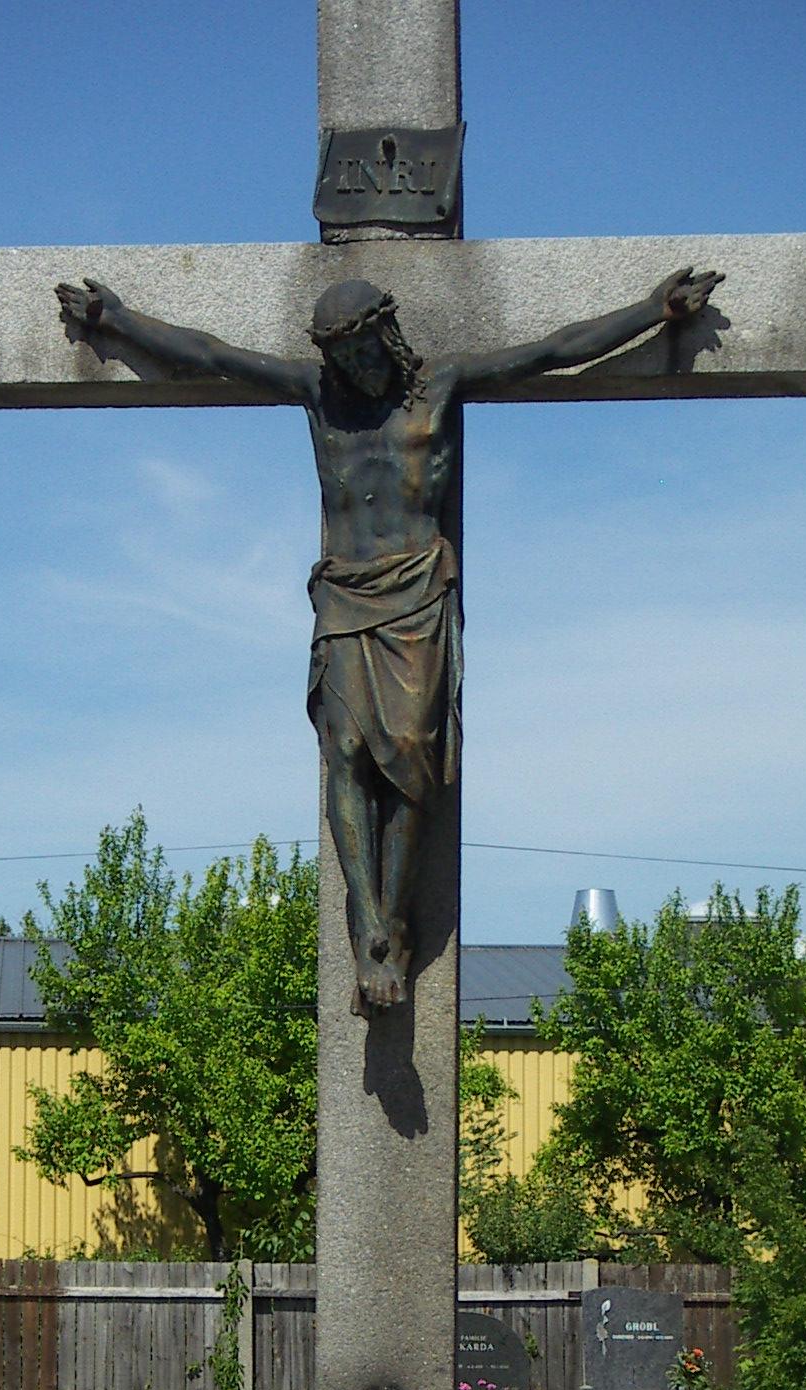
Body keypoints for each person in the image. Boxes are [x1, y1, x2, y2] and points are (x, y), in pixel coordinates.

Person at [55, 265, 722, 1013]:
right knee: (341, 752)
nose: (357, 368)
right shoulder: (317, 394)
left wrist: (651, 309)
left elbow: (555, 349)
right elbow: (208, 354)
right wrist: (114, 320)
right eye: (343, 357)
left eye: (366, 351)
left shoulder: (439, 386)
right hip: (344, 595)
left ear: (388, 334)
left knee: (410, 763)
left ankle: (391, 919)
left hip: (417, 600)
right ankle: (368, 924)